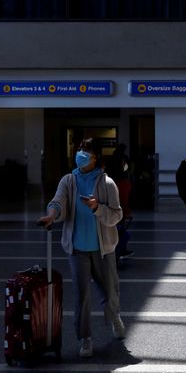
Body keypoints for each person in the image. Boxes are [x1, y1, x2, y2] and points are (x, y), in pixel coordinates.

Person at [37, 138, 125, 358]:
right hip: (77, 248)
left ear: (95, 157)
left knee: (109, 290)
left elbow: (117, 214)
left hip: (103, 248)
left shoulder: (107, 184)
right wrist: (51, 215)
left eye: (85, 151)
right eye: (79, 150)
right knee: (82, 295)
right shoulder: (69, 180)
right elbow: (58, 202)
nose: (81, 154)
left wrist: (97, 208)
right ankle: (85, 338)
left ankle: (114, 317)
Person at [109, 144, 134, 264]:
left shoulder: (111, 159)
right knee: (121, 228)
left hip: (112, 209)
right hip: (120, 210)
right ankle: (120, 250)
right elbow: (126, 169)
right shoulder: (123, 160)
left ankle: (115, 250)